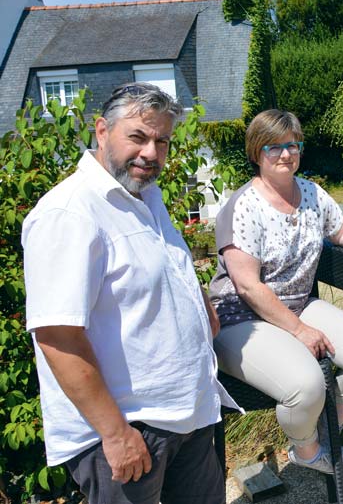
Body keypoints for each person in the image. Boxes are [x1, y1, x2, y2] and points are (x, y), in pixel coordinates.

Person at [22, 82, 234, 504]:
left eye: (162, 141)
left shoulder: (145, 197)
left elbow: (167, 270)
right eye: (137, 137)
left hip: (184, 414)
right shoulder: (70, 213)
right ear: (102, 131)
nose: (151, 153)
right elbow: (57, 337)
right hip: (127, 429)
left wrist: (203, 312)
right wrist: (116, 434)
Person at [208, 109, 343, 475]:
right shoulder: (242, 208)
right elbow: (247, 286)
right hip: (239, 317)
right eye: (274, 147)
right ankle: (307, 450)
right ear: (256, 152)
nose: (285, 154)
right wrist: (299, 331)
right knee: (306, 384)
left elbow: (340, 227)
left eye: (293, 144)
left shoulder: (311, 192)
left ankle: (329, 427)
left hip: (296, 303)